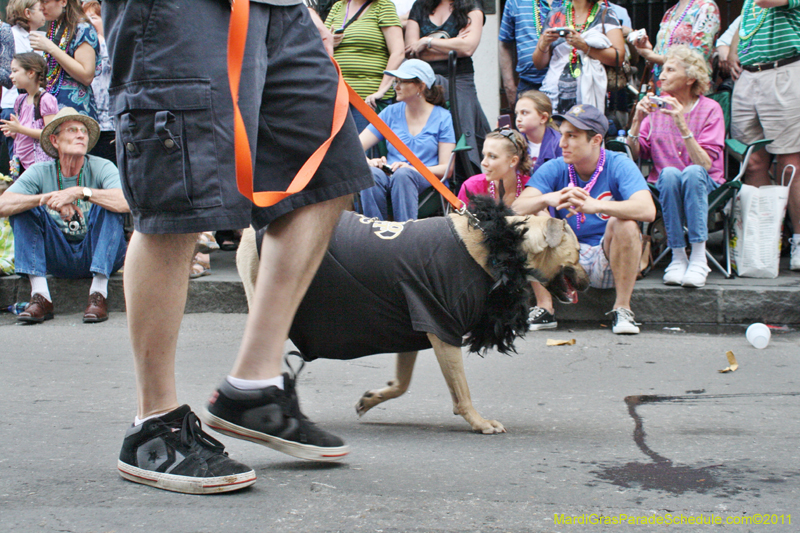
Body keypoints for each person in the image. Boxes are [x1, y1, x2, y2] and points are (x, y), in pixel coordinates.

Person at [103, 0, 373, 495]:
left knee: (329, 174)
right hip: (180, 10)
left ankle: (251, 388)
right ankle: (154, 424)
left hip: (281, 10)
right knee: (177, 195)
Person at [514, 104, 656, 334]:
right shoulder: (555, 167)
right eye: (562, 135)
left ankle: (622, 309)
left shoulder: (618, 163)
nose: (562, 144)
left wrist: (596, 205)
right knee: (532, 218)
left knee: (625, 224)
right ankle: (544, 307)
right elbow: (517, 207)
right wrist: (549, 198)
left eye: (572, 136)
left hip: (608, 259)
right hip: (563, 259)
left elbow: (648, 210)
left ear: (596, 140)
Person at [0, 107, 128, 324]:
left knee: (108, 203)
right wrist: (48, 198)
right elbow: (3, 204)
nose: (81, 134)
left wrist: (81, 193)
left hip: (99, 252)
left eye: (84, 131)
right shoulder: (40, 171)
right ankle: (40, 296)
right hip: (58, 256)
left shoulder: (102, 166)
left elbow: (126, 202)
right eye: (72, 130)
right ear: (55, 140)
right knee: (23, 207)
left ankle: (98, 293)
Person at [627, 45, 725, 288]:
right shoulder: (656, 109)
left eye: (670, 70)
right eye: (663, 70)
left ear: (691, 78)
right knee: (670, 173)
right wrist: (637, 122)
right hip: (666, 183)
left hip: (705, 183)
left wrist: (682, 124)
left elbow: (705, 163)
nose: (661, 75)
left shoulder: (711, 109)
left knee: (691, 172)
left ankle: (699, 257)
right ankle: (679, 257)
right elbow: (638, 153)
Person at [728, 0, 800, 271]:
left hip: (785, 70)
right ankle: (763, 245)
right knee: (753, 162)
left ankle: (798, 241)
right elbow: (747, 17)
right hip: (749, 76)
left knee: (790, 162)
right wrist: (733, 49)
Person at [359, 59, 455, 221]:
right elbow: (356, 146)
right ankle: (374, 235)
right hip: (390, 174)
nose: (396, 87)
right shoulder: (390, 112)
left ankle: (405, 236)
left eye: (402, 82)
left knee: (404, 175)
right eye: (396, 82)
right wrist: (370, 162)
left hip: (426, 180)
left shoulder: (442, 117)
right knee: (371, 174)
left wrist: (413, 169)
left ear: (421, 86)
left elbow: (447, 169)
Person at [405, 0, 491, 174]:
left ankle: (467, 185)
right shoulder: (420, 6)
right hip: (423, 82)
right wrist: (452, 46)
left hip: (459, 78)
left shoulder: (471, 5)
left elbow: (467, 48)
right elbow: (412, 51)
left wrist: (428, 42)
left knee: (464, 133)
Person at [516, 90, 563, 329]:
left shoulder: (560, 143)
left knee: (536, 221)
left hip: (554, 207)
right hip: (521, 204)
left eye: (525, 113)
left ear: (543, 117)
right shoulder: (514, 141)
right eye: (517, 113)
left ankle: (545, 305)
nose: (518, 118)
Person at [325, 0, 404, 135]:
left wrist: (381, 91)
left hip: (367, 100)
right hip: (336, 96)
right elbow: (319, 46)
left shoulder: (383, 6)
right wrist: (329, 42)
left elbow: (398, 52)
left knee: (362, 152)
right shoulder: (338, 7)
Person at [533, 0, 625, 114]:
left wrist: (584, 47)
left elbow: (618, 57)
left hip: (590, 97)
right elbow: (538, 64)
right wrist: (544, 43)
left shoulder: (606, 15)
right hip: (554, 96)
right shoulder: (555, 15)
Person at [31, 0, 99, 118]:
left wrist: (51, 48)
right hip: (51, 109)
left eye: (45, 2)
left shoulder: (83, 28)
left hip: (74, 112)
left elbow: (86, 75)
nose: (41, 7)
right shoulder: (54, 25)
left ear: (63, 2)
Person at [632, 0, 720, 84]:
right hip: (663, 87)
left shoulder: (707, 7)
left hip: (689, 88)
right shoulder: (670, 12)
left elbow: (698, 57)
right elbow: (657, 62)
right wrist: (648, 51)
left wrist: (652, 56)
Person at [2, 1, 46, 166]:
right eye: (40, 10)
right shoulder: (9, 34)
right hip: (13, 104)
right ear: (27, 13)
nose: (44, 13)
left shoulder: (41, 37)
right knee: (17, 157)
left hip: (36, 103)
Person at [0, 52, 58, 174]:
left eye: (15, 71)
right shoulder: (20, 100)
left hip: (38, 165)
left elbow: (49, 134)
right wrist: (14, 132)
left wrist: (20, 129)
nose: (11, 76)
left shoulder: (46, 99)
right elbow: (22, 129)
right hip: (20, 162)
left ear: (31, 73)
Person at [499, 0, 564, 104]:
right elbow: (505, 44)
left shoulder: (576, 3)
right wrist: (509, 86)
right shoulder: (514, 2)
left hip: (568, 84)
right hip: (529, 84)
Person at [81, 0, 114, 161]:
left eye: (93, 18)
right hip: (89, 122)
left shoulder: (109, 43)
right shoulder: (84, 45)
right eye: (85, 19)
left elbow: (110, 63)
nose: (89, 24)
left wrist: (100, 38)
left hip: (109, 124)